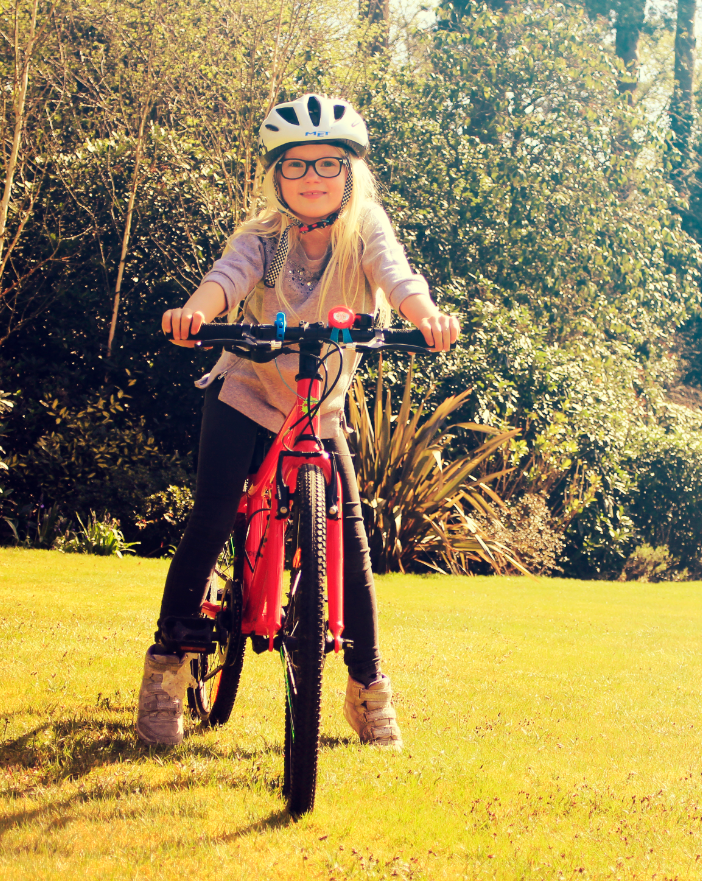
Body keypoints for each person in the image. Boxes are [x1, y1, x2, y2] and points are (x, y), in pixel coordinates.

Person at [136, 94, 460, 746]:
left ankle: (367, 686)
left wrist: (424, 315)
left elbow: (398, 279)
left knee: (353, 532)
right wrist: (196, 310)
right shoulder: (267, 238)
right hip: (247, 390)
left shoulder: (363, 229)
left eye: (328, 164)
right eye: (297, 165)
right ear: (276, 175)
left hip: (321, 404)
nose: (312, 178)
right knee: (214, 510)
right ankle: (167, 668)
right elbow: (227, 277)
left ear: (351, 173)